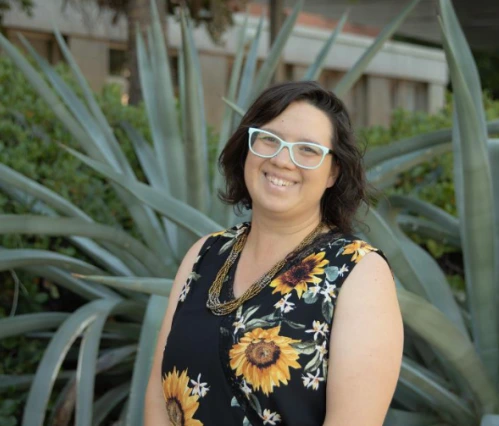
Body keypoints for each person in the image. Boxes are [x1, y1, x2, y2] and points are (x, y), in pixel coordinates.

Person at [144, 81, 403, 426]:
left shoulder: (358, 273)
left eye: (308, 150)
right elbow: (157, 400)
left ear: (333, 172)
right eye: (269, 139)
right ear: (248, 148)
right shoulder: (203, 255)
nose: (282, 160)